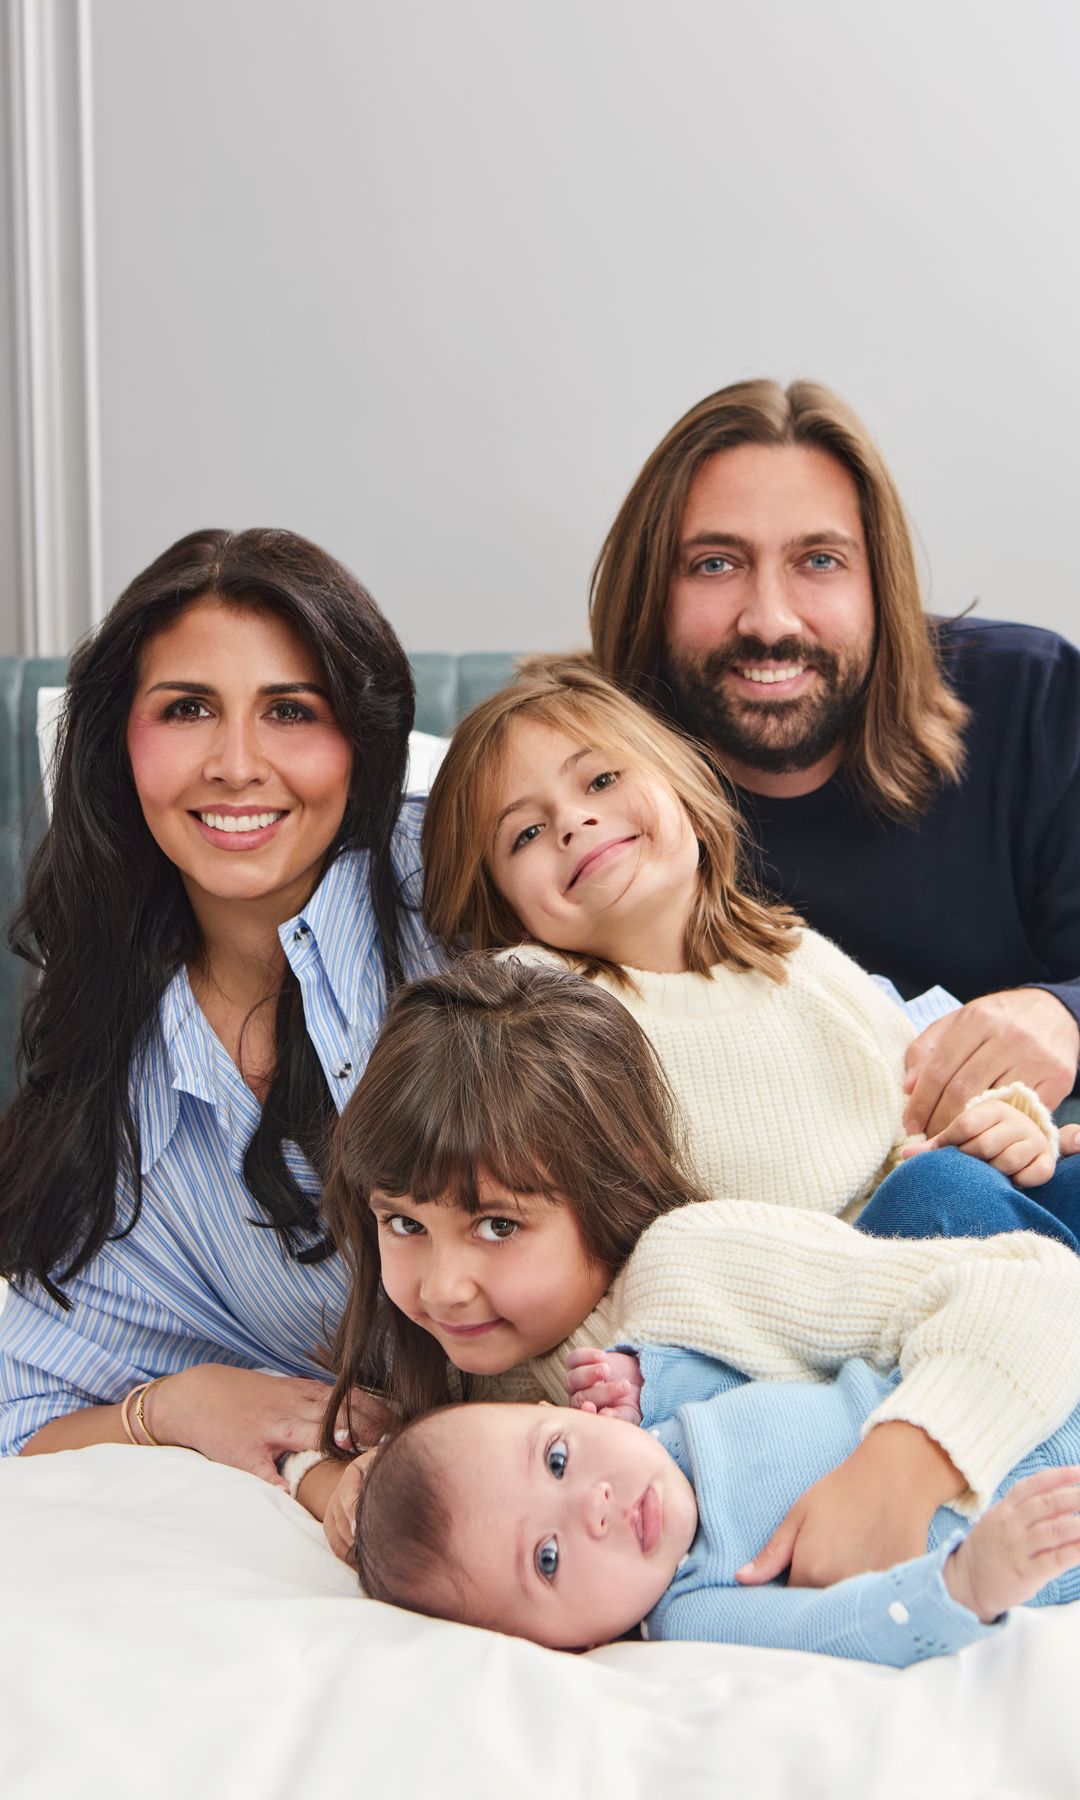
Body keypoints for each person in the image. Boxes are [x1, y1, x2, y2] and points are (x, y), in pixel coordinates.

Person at [308, 955, 1080, 1586]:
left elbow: (1034, 1290)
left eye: (498, 1225)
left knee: (932, 1196)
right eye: (405, 1224)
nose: (443, 1287)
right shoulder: (470, 1387)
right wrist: (353, 1483)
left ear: (607, 1194)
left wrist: (896, 1473)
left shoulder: (696, 1266)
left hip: (1026, 1327)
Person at [0, 527, 439, 1479]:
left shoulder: (467, 885)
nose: (236, 764)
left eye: (290, 711)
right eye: (189, 708)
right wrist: (174, 1407)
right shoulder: (123, 1079)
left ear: (360, 745)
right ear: (120, 740)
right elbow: (18, 1410)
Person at [418, 660, 1080, 1242]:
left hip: (917, 1234)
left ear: (685, 791)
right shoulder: (532, 1005)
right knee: (945, 1197)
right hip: (774, 1304)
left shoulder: (792, 956)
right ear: (502, 903)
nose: (572, 822)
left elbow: (920, 1125)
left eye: (600, 780)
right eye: (526, 832)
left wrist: (1007, 1132)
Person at [587, 378, 1080, 1138]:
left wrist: (1065, 1014)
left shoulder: (1033, 700)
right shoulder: (581, 781)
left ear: (881, 581)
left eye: (818, 561)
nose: (770, 620)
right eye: (716, 564)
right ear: (651, 590)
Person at [347, 1373, 1080, 1665]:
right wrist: (966, 1583)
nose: (592, 1506)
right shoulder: (693, 1609)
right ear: (565, 1644)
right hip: (1032, 1515)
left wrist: (646, 1368)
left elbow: (762, 1350)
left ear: (558, 1412)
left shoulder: (661, 1415)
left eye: (559, 1459)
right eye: (547, 1557)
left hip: (997, 1389)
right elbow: (831, 1631)